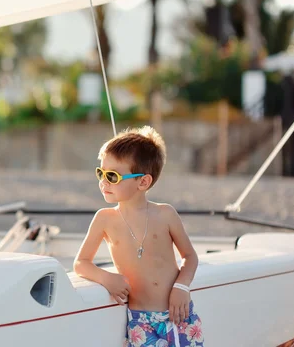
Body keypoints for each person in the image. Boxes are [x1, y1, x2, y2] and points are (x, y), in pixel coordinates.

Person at [73, 126, 204, 347]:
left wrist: (181, 287)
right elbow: (80, 263)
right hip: (141, 322)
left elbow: (190, 256)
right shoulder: (104, 219)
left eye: (112, 176)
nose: (103, 182)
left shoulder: (166, 214)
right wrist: (107, 278)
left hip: (179, 315)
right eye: (100, 173)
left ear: (143, 182)